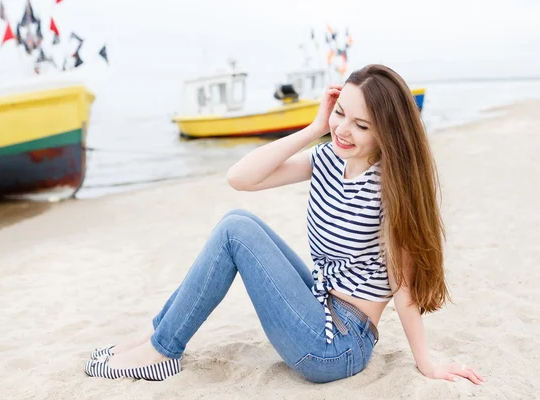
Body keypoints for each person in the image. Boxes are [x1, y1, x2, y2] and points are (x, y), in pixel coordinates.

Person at [84, 64, 484, 385]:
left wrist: (427, 363)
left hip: (338, 346)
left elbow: (404, 287)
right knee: (238, 219)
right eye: (340, 113)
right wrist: (313, 129)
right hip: (317, 304)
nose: (343, 130)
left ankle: (161, 350)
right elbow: (241, 178)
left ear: (387, 132)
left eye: (361, 125)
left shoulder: (389, 190)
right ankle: (157, 337)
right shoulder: (327, 158)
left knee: (234, 233)